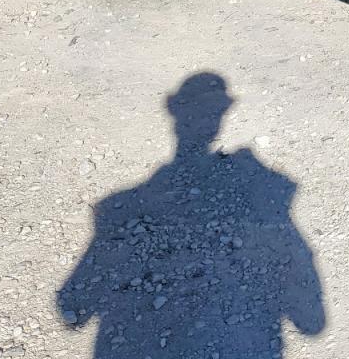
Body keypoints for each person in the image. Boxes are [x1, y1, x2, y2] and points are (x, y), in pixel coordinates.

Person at [57, 73, 325, 358]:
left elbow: (72, 305)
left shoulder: (114, 206)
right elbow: (311, 323)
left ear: (173, 111)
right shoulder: (278, 201)